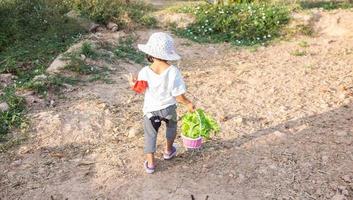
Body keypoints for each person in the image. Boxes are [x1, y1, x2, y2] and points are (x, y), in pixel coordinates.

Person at [127, 32, 195, 174]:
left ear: (151, 53)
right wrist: (188, 103)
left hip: (151, 112)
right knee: (171, 128)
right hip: (168, 110)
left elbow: (140, 89)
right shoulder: (173, 71)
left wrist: (133, 84)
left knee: (150, 135)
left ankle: (151, 164)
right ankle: (168, 151)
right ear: (168, 54)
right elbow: (178, 96)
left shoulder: (145, 71)